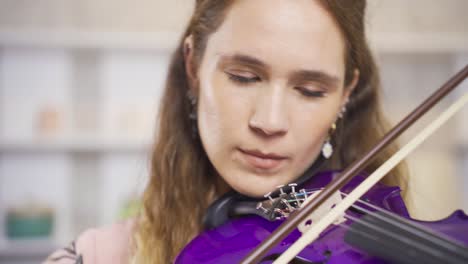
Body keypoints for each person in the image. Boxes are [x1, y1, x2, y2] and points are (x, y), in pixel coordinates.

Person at [44, 0, 407, 263]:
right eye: (243, 77)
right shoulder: (93, 258)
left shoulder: (373, 245)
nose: (270, 121)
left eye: (311, 90)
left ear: (345, 94)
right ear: (193, 67)